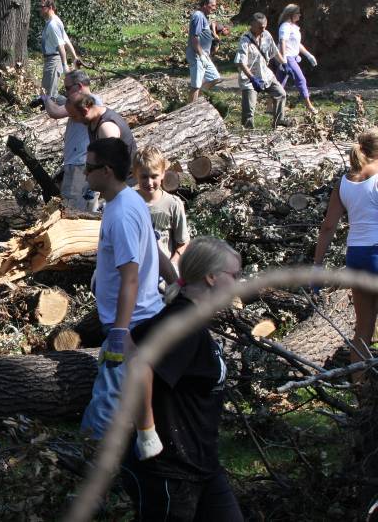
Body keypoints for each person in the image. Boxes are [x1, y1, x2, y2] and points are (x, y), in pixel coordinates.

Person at [120, 237, 244, 522]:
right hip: (170, 471)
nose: (238, 284)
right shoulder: (183, 324)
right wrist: (146, 433)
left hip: (201, 465)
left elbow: (131, 340)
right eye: (234, 276)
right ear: (212, 277)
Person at [80, 137, 163, 439]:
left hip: (133, 324)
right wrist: (176, 279)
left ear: (106, 170)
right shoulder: (127, 201)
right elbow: (155, 247)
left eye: (89, 167)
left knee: (108, 399)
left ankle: (93, 460)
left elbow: (130, 276)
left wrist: (120, 331)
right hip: (135, 320)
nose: (84, 172)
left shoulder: (122, 213)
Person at [314, 129, 378, 371]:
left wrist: (317, 265)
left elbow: (328, 226)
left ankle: (360, 390)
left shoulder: (345, 182)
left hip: (356, 257)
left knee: (363, 328)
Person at [39, 70, 99, 209]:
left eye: (67, 88)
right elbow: (65, 105)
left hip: (79, 166)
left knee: (72, 210)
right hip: (80, 164)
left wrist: (45, 99)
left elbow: (55, 112)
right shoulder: (89, 102)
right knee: (85, 209)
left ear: (78, 87)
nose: (66, 92)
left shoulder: (88, 102)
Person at [133, 146, 190, 269]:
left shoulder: (173, 204)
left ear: (163, 173)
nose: (149, 182)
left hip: (162, 271)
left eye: (154, 176)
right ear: (135, 174)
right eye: (144, 177)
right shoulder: (129, 202)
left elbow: (183, 242)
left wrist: (173, 263)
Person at [234, 12, 287, 129]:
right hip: (249, 78)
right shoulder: (245, 40)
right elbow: (240, 62)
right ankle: (248, 133)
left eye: (264, 27)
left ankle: (278, 123)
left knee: (280, 94)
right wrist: (252, 78)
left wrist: (284, 63)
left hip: (265, 75)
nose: (263, 30)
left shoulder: (267, 35)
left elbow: (275, 51)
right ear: (252, 25)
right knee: (249, 110)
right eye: (260, 27)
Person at [68, 91, 136, 162]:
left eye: (74, 116)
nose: (73, 120)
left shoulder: (106, 128)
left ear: (85, 111)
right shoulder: (93, 120)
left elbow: (112, 164)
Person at [277, 3, 319, 113]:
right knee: (301, 80)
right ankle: (309, 106)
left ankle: (269, 107)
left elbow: (297, 44)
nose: (299, 15)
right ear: (291, 14)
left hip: (293, 57)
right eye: (297, 13)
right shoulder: (285, 27)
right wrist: (284, 61)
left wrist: (309, 55)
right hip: (288, 58)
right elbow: (282, 42)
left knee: (279, 82)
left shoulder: (294, 27)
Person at [38, 0, 81, 96]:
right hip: (50, 61)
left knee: (50, 96)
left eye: (42, 7)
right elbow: (66, 40)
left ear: (50, 7)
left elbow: (61, 45)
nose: (40, 9)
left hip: (53, 61)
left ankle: (73, 106)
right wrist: (75, 58)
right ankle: (72, 105)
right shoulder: (54, 21)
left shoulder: (53, 24)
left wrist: (65, 65)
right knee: (45, 95)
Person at [186, 0, 222, 102]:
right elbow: (194, 37)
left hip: (204, 55)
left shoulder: (203, 17)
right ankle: (190, 110)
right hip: (197, 55)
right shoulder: (198, 16)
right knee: (196, 85)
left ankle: (197, 102)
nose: (215, 8)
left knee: (215, 78)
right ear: (205, 5)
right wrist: (201, 55)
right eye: (213, 5)